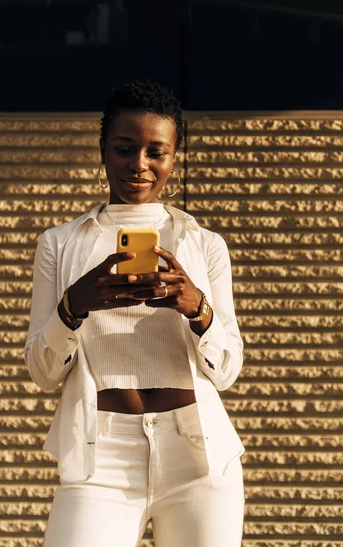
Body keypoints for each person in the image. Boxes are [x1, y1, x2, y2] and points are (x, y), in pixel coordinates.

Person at [24, 80, 245, 547]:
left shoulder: (204, 244)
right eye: (125, 149)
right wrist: (74, 306)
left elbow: (227, 371)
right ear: (104, 150)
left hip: (199, 457)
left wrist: (197, 309)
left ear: (172, 157)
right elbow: (43, 372)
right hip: (99, 455)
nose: (139, 165)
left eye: (155, 152)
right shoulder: (60, 243)